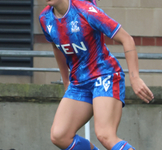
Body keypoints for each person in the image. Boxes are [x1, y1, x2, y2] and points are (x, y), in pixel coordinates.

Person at [39, 0, 154, 149]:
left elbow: (127, 39)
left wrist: (135, 77)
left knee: (105, 135)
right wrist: (66, 80)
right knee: (60, 135)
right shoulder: (44, 18)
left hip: (105, 76)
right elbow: (56, 47)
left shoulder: (86, 10)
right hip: (79, 83)